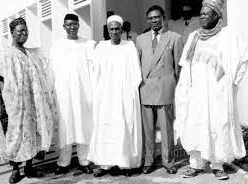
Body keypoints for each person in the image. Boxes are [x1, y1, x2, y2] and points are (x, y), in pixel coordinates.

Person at [174, 0, 248, 180]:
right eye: (200, 13)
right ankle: (196, 164)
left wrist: (233, 83)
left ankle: (217, 165)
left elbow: (245, 59)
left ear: (217, 15)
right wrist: (184, 88)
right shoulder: (194, 36)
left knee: (218, 126)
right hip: (196, 93)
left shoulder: (228, 35)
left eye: (205, 14)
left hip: (218, 94)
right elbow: (186, 65)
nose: (201, 16)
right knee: (195, 125)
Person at [0, 17, 55, 184]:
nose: (24, 33)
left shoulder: (32, 54)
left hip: (32, 104)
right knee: (14, 136)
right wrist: (0, 97)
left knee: (31, 134)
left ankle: (29, 166)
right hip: (14, 104)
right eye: (20, 30)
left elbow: (44, 71)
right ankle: (15, 169)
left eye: (26, 30)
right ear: (12, 33)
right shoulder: (3, 54)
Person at [88, 15, 142, 177]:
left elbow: (135, 71)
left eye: (117, 29)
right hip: (105, 96)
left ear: (122, 30)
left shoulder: (129, 46)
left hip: (124, 94)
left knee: (124, 127)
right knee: (105, 128)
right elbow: (94, 72)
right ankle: (105, 164)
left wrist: (130, 92)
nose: (114, 32)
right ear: (108, 30)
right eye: (111, 29)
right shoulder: (101, 47)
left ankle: (125, 164)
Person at [136, 5, 183, 174]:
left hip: (165, 88)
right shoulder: (140, 39)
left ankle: (168, 161)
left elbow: (179, 67)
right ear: (147, 20)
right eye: (150, 18)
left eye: (157, 17)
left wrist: (172, 85)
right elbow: (137, 65)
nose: (154, 21)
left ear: (163, 18)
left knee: (166, 129)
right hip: (146, 88)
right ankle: (148, 160)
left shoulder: (174, 38)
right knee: (147, 129)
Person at [51, 13, 95, 175]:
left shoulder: (88, 44)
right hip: (64, 94)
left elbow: (93, 70)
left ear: (79, 25)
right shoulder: (57, 46)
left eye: (74, 24)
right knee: (65, 127)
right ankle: (63, 163)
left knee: (84, 126)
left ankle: (84, 161)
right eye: (68, 25)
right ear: (64, 26)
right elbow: (53, 71)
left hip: (84, 93)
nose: (72, 27)